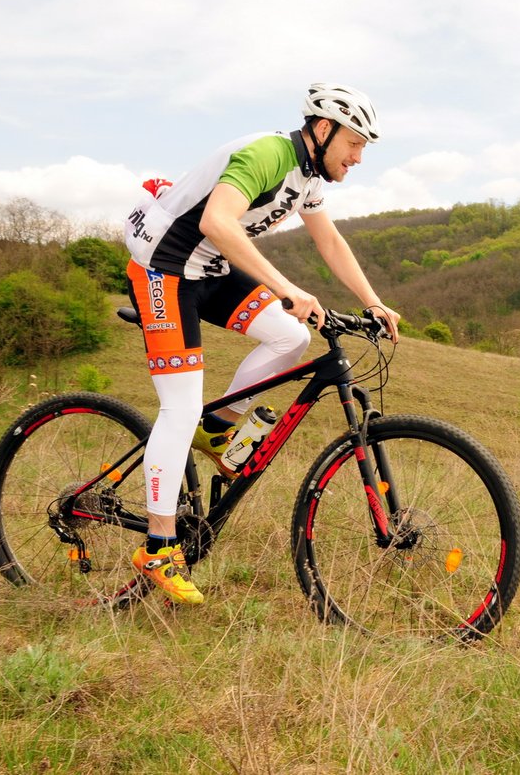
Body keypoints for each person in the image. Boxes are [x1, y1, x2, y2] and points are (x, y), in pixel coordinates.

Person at [123, 82, 400, 604]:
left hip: (209, 267)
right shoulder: (270, 154)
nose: (359, 156)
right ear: (323, 130)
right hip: (165, 267)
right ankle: (157, 546)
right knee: (178, 408)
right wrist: (287, 288)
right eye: (356, 143)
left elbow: (329, 241)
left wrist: (374, 300)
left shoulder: (309, 176)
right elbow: (215, 220)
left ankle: (218, 428)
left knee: (289, 335)